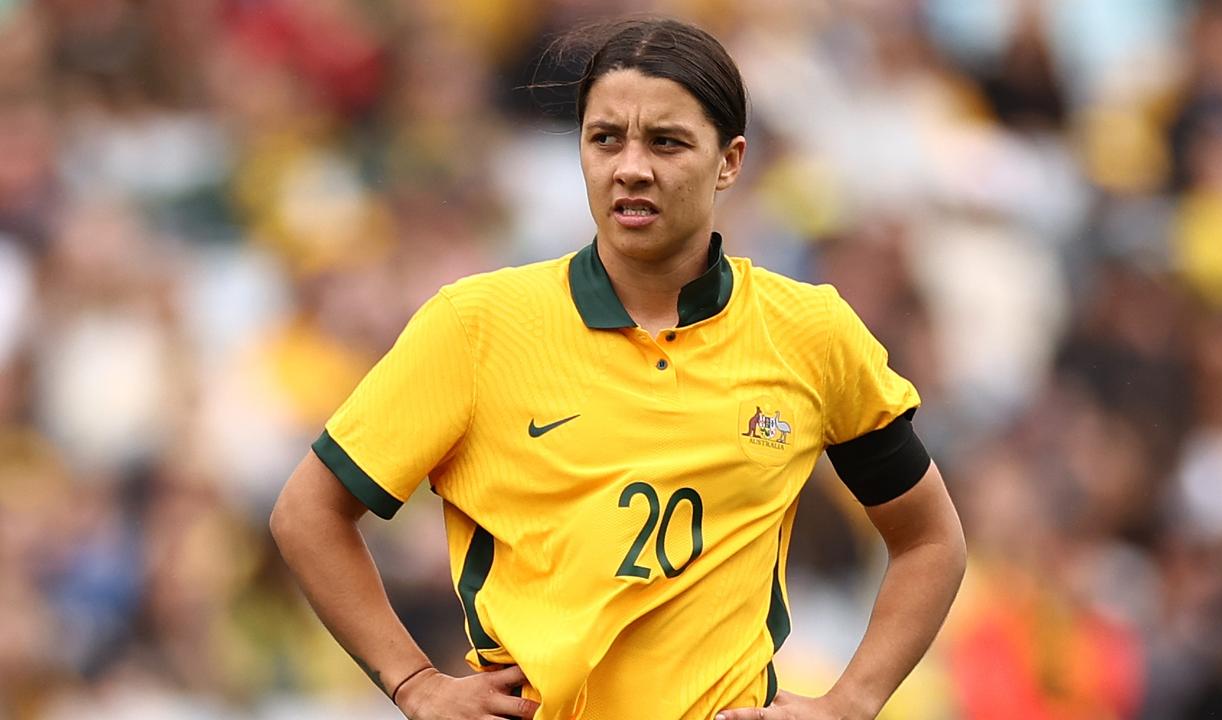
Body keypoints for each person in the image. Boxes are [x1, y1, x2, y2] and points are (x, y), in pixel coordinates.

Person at [269, 16, 966, 720]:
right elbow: (308, 512)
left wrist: (850, 703)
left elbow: (929, 538)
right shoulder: (476, 325)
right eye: (606, 138)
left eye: (665, 141)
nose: (630, 166)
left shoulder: (808, 332)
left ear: (729, 161)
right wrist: (413, 682)